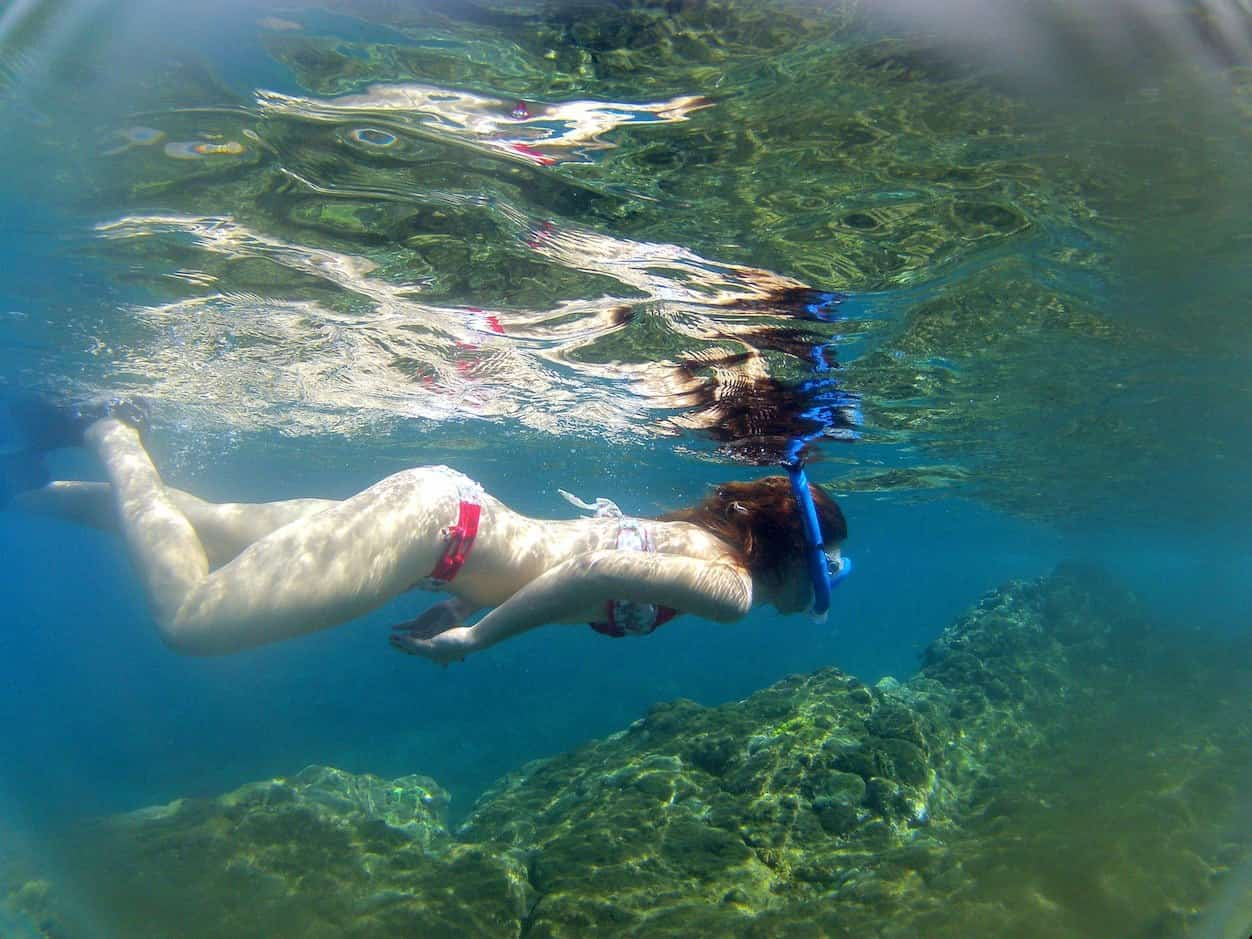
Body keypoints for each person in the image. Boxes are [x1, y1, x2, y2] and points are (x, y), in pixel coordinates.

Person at [6, 402, 848, 664]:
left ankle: (24, 489)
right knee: (191, 620)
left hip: (441, 524)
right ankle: (110, 427)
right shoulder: (730, 589)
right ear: (795, 563)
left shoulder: (706, 545)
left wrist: (465, 603)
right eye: (823, 580)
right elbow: (592, 569)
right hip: (435, 533)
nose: (817, 594)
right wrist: (478, 635)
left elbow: (579, 573)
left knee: (210, 527)